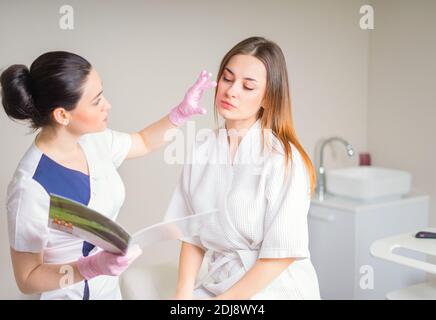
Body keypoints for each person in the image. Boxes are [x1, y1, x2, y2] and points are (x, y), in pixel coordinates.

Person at [1, 51, 216, 299]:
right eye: (96, 101)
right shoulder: (30, 186)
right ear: (62, 115)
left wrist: (179, 115)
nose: (108, 105)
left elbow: (143, 142)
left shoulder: (94, 140)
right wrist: (91, 267)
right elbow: (27, 279)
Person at [165, 37, 321, 299]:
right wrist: (182, 294)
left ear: (268, 98)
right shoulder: (202, 147)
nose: (232, 91)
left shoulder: (282, 159)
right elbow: (191, 233)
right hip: (221, 282)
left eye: (248, 86)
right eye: (227, 79)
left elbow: (281, 255)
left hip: (275, 288)